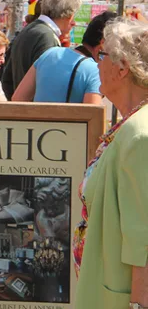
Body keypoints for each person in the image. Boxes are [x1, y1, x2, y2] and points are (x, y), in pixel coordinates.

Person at [73, 18, 148, 309]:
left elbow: (143, 235)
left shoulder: (139, 134)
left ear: (122, 67)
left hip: (119, 296)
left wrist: (138, 304)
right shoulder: (130, 124)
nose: (96, 62)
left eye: (102, 55)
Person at [12, 11, 116, 105]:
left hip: (37, 125)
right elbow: (93, 119)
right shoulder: (94, 72)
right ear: (101, 45)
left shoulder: (49, 53)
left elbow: (17, 98)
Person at [1, 0, 81, 98]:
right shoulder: (46, 37)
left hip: (22, 107)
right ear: (68, 14)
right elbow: (46, 85)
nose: (74, 23)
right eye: (73, 16)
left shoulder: (30, 29)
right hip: (34, 110)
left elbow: (7, 79)